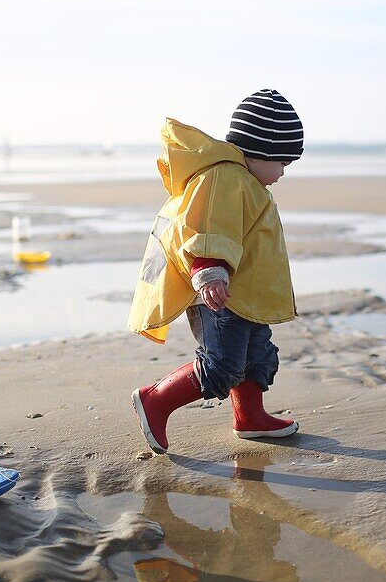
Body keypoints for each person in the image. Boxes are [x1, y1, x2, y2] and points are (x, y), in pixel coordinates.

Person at [127, 88, 304, 453]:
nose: (283, 172)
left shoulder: (247, 181)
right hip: (218, 293)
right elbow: (210, 226)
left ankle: (250, 417)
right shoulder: (225, 178)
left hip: (244, 295)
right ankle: (155, 399)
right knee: (222, 365)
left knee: (258, 356)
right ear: (259, 151)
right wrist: (209, 271)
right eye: (282, 162)